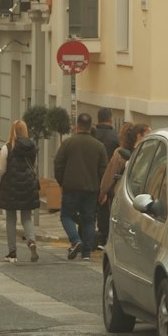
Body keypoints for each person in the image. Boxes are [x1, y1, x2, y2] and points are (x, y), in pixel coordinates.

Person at [53, 111, 107, 260]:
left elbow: (58, 164)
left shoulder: (68, 143)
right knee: (89, 219)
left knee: (66, 216)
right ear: (90, 127)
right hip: (91, 189)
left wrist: (62, 182)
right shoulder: (99, 146)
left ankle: (76, 240)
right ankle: (86, 253)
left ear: (77, 127)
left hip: (71, 187)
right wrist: (103, 191)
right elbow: (103, 170)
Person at [0, 119, 40, 264]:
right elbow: (34, 165)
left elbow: (1, 170)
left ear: (12, 130)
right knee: (26, 216)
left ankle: (12, 253)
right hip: (27, 186)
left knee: (11, 219)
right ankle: (31, 240)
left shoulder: (8, 147)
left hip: (11, 186)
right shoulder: (32, 147)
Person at [98, 121, 140, 217]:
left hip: (120, 193)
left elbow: (110, 174)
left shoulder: (119, 153)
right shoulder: (140, 152)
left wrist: (103, 191)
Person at [92, 109, 119, 249]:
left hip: (90, 177)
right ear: (110, 119)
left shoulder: (92, 135)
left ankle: (89, 237)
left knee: (90, 209)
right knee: (104, 209)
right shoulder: (115, 137)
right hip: (109, 178)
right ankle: (103, 237)